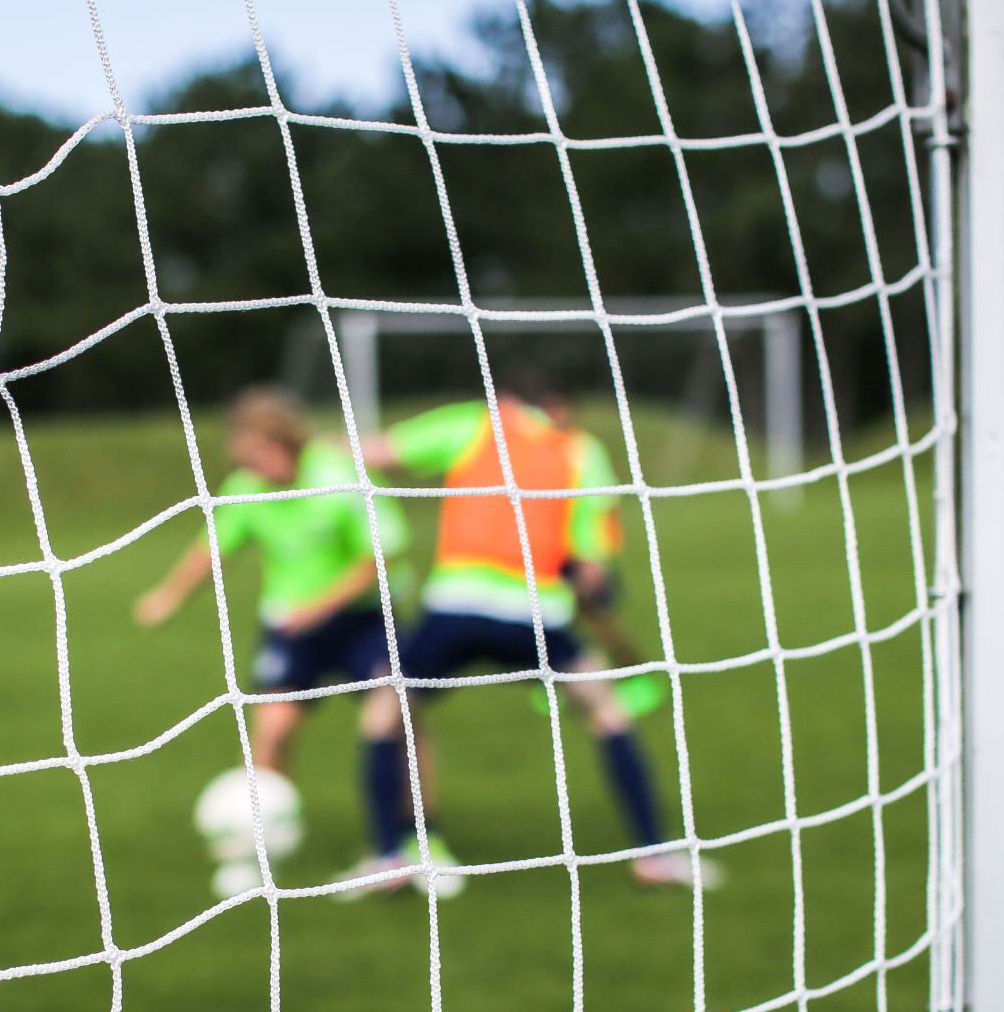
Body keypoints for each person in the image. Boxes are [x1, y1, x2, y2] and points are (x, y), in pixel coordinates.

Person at [342, 371, 719, 894]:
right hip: (536, 615)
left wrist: (314, 449)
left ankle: (389, 854)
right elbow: (591, 567)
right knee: (608, 711)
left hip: (454, 605)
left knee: (385, 710)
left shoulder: (475, 423)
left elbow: (373, 452)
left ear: (506, 398)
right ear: (559, 404)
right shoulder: (582, 450)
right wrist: (590, 587)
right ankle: (653, 854)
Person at [135, 388, 409, 779]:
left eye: (261, 453)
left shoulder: (338, 474)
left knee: (394, 715)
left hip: (365, 618)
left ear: (288, 441)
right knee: (272, 728)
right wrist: (169, 595)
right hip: (291, 625)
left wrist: (319, 608)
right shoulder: (245, 487)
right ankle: (260, 829)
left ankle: (412, 830)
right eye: (246, 457)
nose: (254, 466)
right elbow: (214, 549)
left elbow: (381, 557)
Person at [531, 389, 665, 719]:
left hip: (584, 553)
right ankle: (562, 682)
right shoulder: (535, 451)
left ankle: (638, 677)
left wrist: (597, 557)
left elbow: (604, 502)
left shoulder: (583, 449)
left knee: (599, 620)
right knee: (555, 618)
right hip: (551, 551)